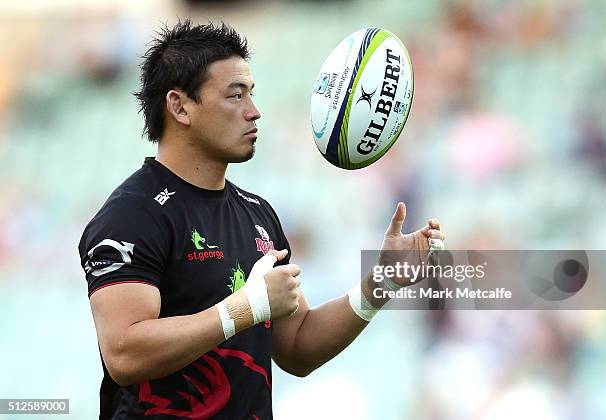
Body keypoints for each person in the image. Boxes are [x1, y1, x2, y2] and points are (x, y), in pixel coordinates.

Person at [78, 20, 445, 419]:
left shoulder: (257, 213)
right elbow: (124, 353)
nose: (254, 111)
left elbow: (298, 347)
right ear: (179, 106)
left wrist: (382, 282)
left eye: (252, 94)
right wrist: (244, 309)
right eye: (235, 96)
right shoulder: (133, 214)